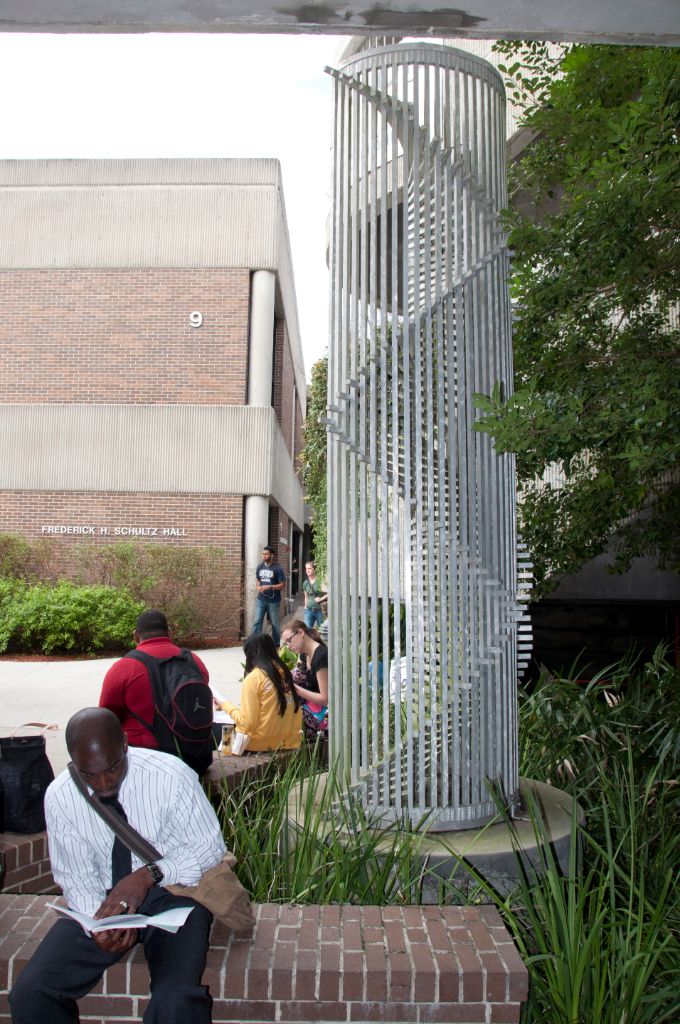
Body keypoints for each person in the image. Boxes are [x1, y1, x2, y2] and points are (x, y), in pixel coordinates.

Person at [9, 707, 226, 1024]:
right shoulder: (60, 796)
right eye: (89, 774)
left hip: (174, 894)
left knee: (175, 1001)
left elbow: (210, 847)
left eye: (111, 768)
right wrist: (97, 926)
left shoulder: (170, 775)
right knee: (30, 993)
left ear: (124, 744)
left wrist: (147, 875)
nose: (103, 782)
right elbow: (77, 877)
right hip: (102, 902)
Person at [99, 608, 211, 768]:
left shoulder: (124, 668)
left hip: (147, 763)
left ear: (136, 636)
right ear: (169, 633)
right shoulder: (194, 662)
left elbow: (106, 720)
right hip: (195, 759)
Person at [215, 633, 302, 752]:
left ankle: (225, 759)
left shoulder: (254, 679)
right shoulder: (285, 673)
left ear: (250, 654)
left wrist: (225, 705)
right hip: (289, 742)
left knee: (221, 729)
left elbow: (247, 724)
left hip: (259, 745)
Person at [280, 618, 329, 741]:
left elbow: (325, 699)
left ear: (301, 633)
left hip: (324, 715)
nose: (288, 646)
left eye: (289, 641)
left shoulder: (321, 656)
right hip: (311, 708)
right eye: (285, 644)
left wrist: (296, 689)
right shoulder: (304, 654)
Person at [251, 544, 286, 647]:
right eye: (263, 554)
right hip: (261, 599)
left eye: (266, 554)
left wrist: (270, 587)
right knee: (257, 622)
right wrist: (258, 587)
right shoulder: (260, 567)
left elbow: (282, 585)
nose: (264, 556)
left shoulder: (277, 568)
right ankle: (255, 645)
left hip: (273, 601)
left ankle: (276, 646)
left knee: (275, 624)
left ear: (272, 555)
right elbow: (258, 580)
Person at [302, 560, 327, 630]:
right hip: (309, 610)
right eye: (306, 569)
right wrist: (305, 607)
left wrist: (321, 599)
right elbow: (306, 597)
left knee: (322, 631)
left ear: (314, 569)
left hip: (321, 610)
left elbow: (330, 593)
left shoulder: (321, 581)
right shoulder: (305, 583)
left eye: (309, 568)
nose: (307, 570)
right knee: (307, 631)